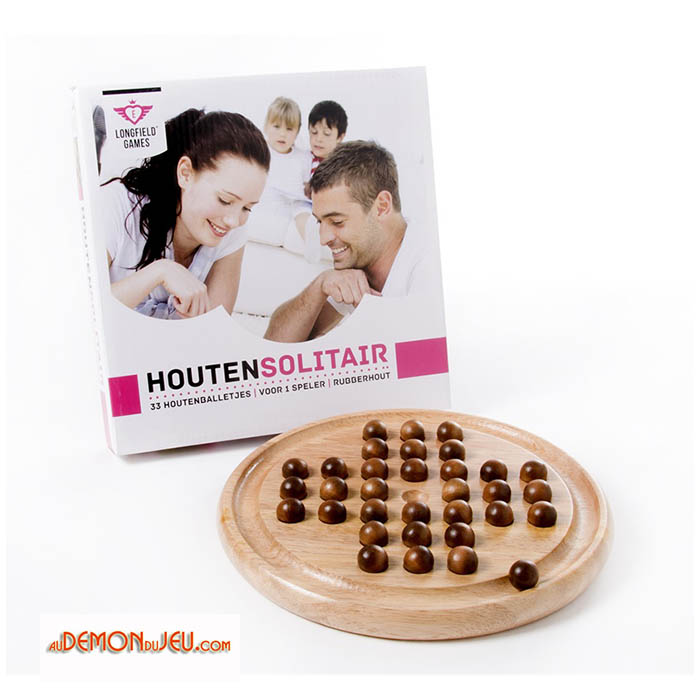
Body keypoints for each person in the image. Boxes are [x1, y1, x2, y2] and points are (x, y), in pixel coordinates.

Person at [102, 108, 269, 319]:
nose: (234, 220)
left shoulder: (232, 230)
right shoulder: (115, 204)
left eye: (247, 208)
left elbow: (213, 329)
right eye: (225, 200)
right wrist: (160, 272)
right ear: (185, 173)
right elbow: (79, 309)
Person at [265, 140, 428, 342]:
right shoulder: (360, 262)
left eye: (337, 221)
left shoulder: (430, 263)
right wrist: (319, 285)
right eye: (319, 221)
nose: (323, 239)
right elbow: (274, 344)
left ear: (382, 207)